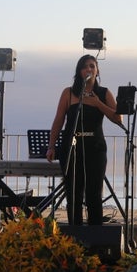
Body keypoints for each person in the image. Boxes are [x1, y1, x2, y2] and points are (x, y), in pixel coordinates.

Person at [46, 54, 124, 225]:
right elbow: (59, 120)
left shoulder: (103, 93)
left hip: (95, 147)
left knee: (93, 194)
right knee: (73, 193)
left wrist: (98, 104)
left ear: (97, 71)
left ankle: (95, 237)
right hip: (71, 147)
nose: (89, 69)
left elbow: (119, 119)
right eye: (84, 66)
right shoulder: (69, 93)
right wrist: (51, 146)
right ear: (79, 72)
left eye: (92, 66)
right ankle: (75, 237)